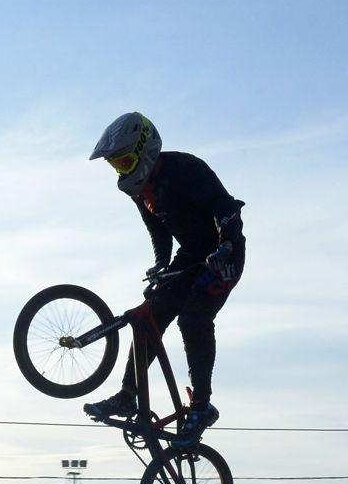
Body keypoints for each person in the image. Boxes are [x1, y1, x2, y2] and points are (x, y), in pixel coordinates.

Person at [81, 112, 246, 446]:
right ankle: (129, 395)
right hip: (190, 256)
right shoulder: (141, 191)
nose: (123, 171)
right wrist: (160, 264)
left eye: (125, 162)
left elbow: (225, 207)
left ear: (146, 150)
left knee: (193, 317)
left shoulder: (185, 169)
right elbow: (158, 230)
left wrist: (226, 244)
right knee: (149, 316)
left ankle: (201, 405)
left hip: (224, 253)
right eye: (116, 166)